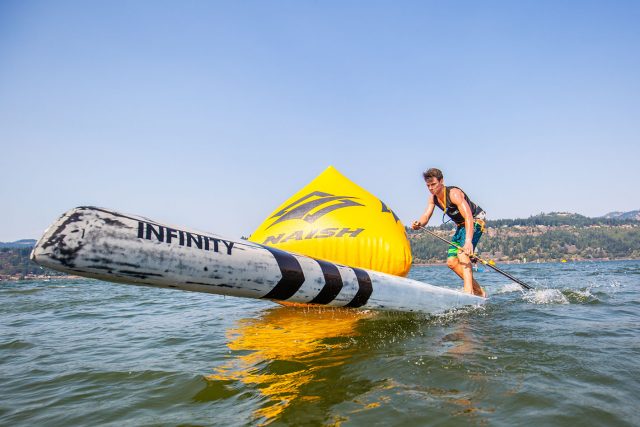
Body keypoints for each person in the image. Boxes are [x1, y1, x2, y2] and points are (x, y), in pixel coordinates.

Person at [412, 168, 487, 297]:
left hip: (475, 220)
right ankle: (479, 292)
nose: (431, 188)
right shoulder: (433, 198)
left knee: (462, 254)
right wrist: (419, 223)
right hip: (461, 226)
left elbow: (468, 217)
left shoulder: (454, 194)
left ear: (441, 181)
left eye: (433, 184)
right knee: (452, 262)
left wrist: (468, 242)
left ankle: (468, 292)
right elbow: (426, 215)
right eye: (428, 186)